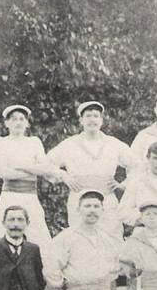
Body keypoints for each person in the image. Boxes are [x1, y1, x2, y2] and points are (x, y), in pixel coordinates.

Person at [0, 104, 54, 290]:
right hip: (10, 197)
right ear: (6, 123)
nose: (18, 122)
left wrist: (20, 166)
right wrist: (31, 168)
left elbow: (45, 169)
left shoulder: (34, 142)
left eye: (22, 118)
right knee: (9, 245)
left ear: (27, 123)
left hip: (31, 198)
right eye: (13, 118)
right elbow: (4, 173)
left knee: (39, 245)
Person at [47, 100, 135, 238]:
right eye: (88, 116)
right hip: (79, 199)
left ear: (101, 120)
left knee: (112, 238)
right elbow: (46, 163)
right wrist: (63, 176)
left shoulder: (113, 144)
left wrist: (124, 185)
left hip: (107, 199)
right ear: (81, 120)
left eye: (96, 116)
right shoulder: (70, 144)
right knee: (79, 239)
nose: (92, 120)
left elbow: (138, 166)